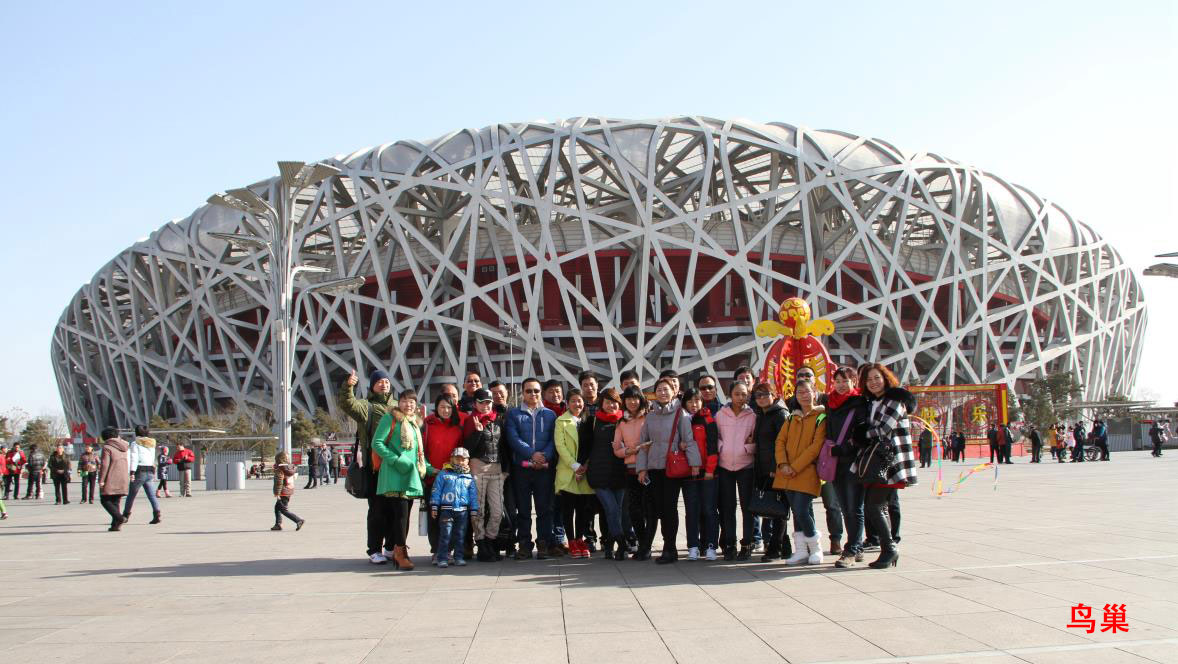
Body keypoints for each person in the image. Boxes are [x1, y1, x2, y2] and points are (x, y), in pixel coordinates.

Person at [854, 363, 918, 569]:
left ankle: (889, 548)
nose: (873, 382)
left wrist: (862, 434)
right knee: (877, 506)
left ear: (885, 378)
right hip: (878, 460)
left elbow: (884, 429)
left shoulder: (895, 400)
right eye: (868, 379)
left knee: (874, 506)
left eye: (877, 378)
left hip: (889, 462)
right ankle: (887, 548)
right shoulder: (874, 401)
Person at [638, 377, 700, 564]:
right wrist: (642, 468)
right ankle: (665, 548)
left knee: (669, 508)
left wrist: (694, 464)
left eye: (666, 389)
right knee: (657, 508)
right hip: (654, 468)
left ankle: (670, 548)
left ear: (674, 392)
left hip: (671, 469)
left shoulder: (681, 413)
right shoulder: (650, 416)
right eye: (659, 390)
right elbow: (643, 444)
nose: (663, 393)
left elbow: (688, 439)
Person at [371, 389, 435, 570]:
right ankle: (400, 553)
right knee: (400, 515)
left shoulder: (414, 422)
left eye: (412, 402)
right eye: (405, 401)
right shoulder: (390, 418)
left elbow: (418, 452)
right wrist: (396, 459)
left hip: (410, 474)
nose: (409, 405)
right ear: (398, 403)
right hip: (395, 474)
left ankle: (397, 550)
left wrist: (429, 468)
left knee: (404, 516)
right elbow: (377, 443)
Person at [339, 368, 395, 564]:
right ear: (372, 386)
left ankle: (390, 547)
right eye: (379, 382)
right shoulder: (367, 406)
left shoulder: (397, 406)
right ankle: (374, 549)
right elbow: (348, 404)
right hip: (375, 468)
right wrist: (348, 387)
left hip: (395, 468)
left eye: (386, 381)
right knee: (377, 511)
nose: (384, 384)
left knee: (394, 510)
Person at [774, 379, 827, 565]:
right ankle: (801, 551)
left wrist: (794, 467)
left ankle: (815, 548)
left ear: (815, 392)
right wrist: (783, 464)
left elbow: (816, 447)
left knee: (801, 509)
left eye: (807, 391)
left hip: (807, 471)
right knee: (798, 511)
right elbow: (780, 441)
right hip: (786, 472)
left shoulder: (821, 417)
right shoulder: (791, 418)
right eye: (799, 393)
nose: (803, 396)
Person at [504, 377, 557, 559]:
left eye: (536, 390)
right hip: (522, 469)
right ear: (522, 393)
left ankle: (543, 543)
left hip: (544, 468)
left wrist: (544, 456)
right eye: (528, 391)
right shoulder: (513, 414)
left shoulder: (550, 414)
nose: (533, 394)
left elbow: (554, 440)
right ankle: (524, 544)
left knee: (544, 508)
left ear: (540, 392)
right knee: (523, 509)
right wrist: (531, 454)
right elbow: (513, 438)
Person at [826, 366, 869, 568]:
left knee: (855, 507)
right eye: (838, 381)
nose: (841, 385)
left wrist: (843, 448)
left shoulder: (859, 404)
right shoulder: (830, 403)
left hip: (853, 462)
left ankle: (851, 549)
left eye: (845, 381)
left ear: (854, 382)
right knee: (845, 507)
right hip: (835, 463)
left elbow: (863, 434)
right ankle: (856, 546)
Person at [581, 387, 627, 560]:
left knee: (616, 511)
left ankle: (609, 544)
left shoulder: (624, 421)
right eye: (608, 402)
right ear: (601, 404)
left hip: (620, 473)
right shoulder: (593, 421)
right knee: (611, 509)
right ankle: (621, 543)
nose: (611, 405)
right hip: (598, 473)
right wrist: (581, 466)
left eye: (614, 402)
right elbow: (585, 447)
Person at [464, 388, 506, 561]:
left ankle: (490, 539)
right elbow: (467, 449)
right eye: (481, 402)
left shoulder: (498, 419)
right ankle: (481, 543)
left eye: (488, 402)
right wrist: (478, 432)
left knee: (497, 511)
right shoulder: (470, 420)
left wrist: (506, 469)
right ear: (475, 404)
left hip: (497, 469)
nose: (485, 406)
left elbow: (504, 445)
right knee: (478, 509)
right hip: (478, 467)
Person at [715, 381, 757, 560]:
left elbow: (757, 439)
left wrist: (748, 448)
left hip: (746, 466)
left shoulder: (753, 416)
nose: (741, 397)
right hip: (725, 466)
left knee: (748, 507)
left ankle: (747, 543)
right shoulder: (720, 415)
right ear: (730, 395)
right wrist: (721, 447)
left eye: (744, 394)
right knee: (728, 507)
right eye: (737, 394)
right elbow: (715, 437)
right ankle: (730, 544)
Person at [423, 394, 466, 559]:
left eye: (449, 407)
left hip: (452, 480)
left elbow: (462, 453)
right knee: (434, 516)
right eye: (442, 407)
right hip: (432, 478)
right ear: (436, 408)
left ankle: (448, 550)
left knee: (450, 516)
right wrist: (429, 469)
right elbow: (420, 450)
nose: (446, 410)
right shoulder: (428, 424)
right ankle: (436, 550)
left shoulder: (458, 427)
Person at [751, 383, 789, 562]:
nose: (761, 398)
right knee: (772, 508)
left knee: (779, 510)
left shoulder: (780, 414)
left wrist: (776, 467)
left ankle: (776, 548)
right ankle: (784, 546)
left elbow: (784, 443)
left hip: (776, 469)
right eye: (758, 395)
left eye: (765, 394)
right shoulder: (762, 414)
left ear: (774, 395)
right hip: (763, 468)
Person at [614, 385, 652, 559]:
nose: (632, 402)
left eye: (635, 398)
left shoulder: (649, 417)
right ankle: (643, 543)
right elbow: (617, 449)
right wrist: (629, 451)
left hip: (649, 469)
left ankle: (647, 545)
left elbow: (653, 442)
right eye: (628, 399)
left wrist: (640, 450)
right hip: (630, 470)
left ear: (641, 399)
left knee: (649, 510)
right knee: (634, 510)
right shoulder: (622, 422)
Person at [554, 389, 594, 558]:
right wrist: (575, 466)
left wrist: (584, 466)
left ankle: (580, 539)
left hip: (585, 470)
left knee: (583, 509)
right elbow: (560, 446)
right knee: (568, 509)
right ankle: (571, 541)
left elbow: (592, 445)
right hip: (568, 471)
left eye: (579, 401)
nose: (577, 404)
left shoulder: (589, 421)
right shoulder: (561, 421)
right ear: (567, 403)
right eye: (573, 401)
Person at [681, 388, 719, 561]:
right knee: (692, 510)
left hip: (707, 472)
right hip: (688, 472)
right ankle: (693, 546)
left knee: (709, 510)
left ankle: (711, 546)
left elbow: (712, 447)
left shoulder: (708, 420)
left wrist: (710, 470)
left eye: (697, 400)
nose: (694, 404)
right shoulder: (682, 420)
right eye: (690, 401)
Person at [430, 447, 479, 568]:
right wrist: (434, 506)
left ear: (468, 461)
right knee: (445, 534)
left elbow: (473, 495)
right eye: (457, 459)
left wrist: (474, 510)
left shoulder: (469, 477)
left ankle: (458, 557)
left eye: (463, 459)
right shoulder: (443, 474)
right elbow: (436, 490)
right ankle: (442, 558)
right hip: (446, 510)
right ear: (451, 459)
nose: (460, 462)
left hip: (462, 511)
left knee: (460, 535)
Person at [123, 425, 162, 524]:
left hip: (139, 471)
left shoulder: (135, 443)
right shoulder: (152, 443)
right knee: (151, 495)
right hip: (150, 470)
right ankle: (157, 514)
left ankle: (125, 515)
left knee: (131, 495)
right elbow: (152, 458)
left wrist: (132, 472)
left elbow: (134, 458)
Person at [98, 427, 130, 531]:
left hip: (111, 477)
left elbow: (104, 465)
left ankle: (120, 518)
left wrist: (101, 480)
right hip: (123, 477)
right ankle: (115, 525)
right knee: (116, 501)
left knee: (105, 500)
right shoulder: (124, 446)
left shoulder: (107, 447)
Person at [271, 451, 305, 531]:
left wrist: (277, 494)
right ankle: (278, 524)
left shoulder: (280, 468)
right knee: (277, 508)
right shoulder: (290, 467)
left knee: (283, 509)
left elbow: (279, 482)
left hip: (282, 491)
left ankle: (298, 520)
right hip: (289, 490)